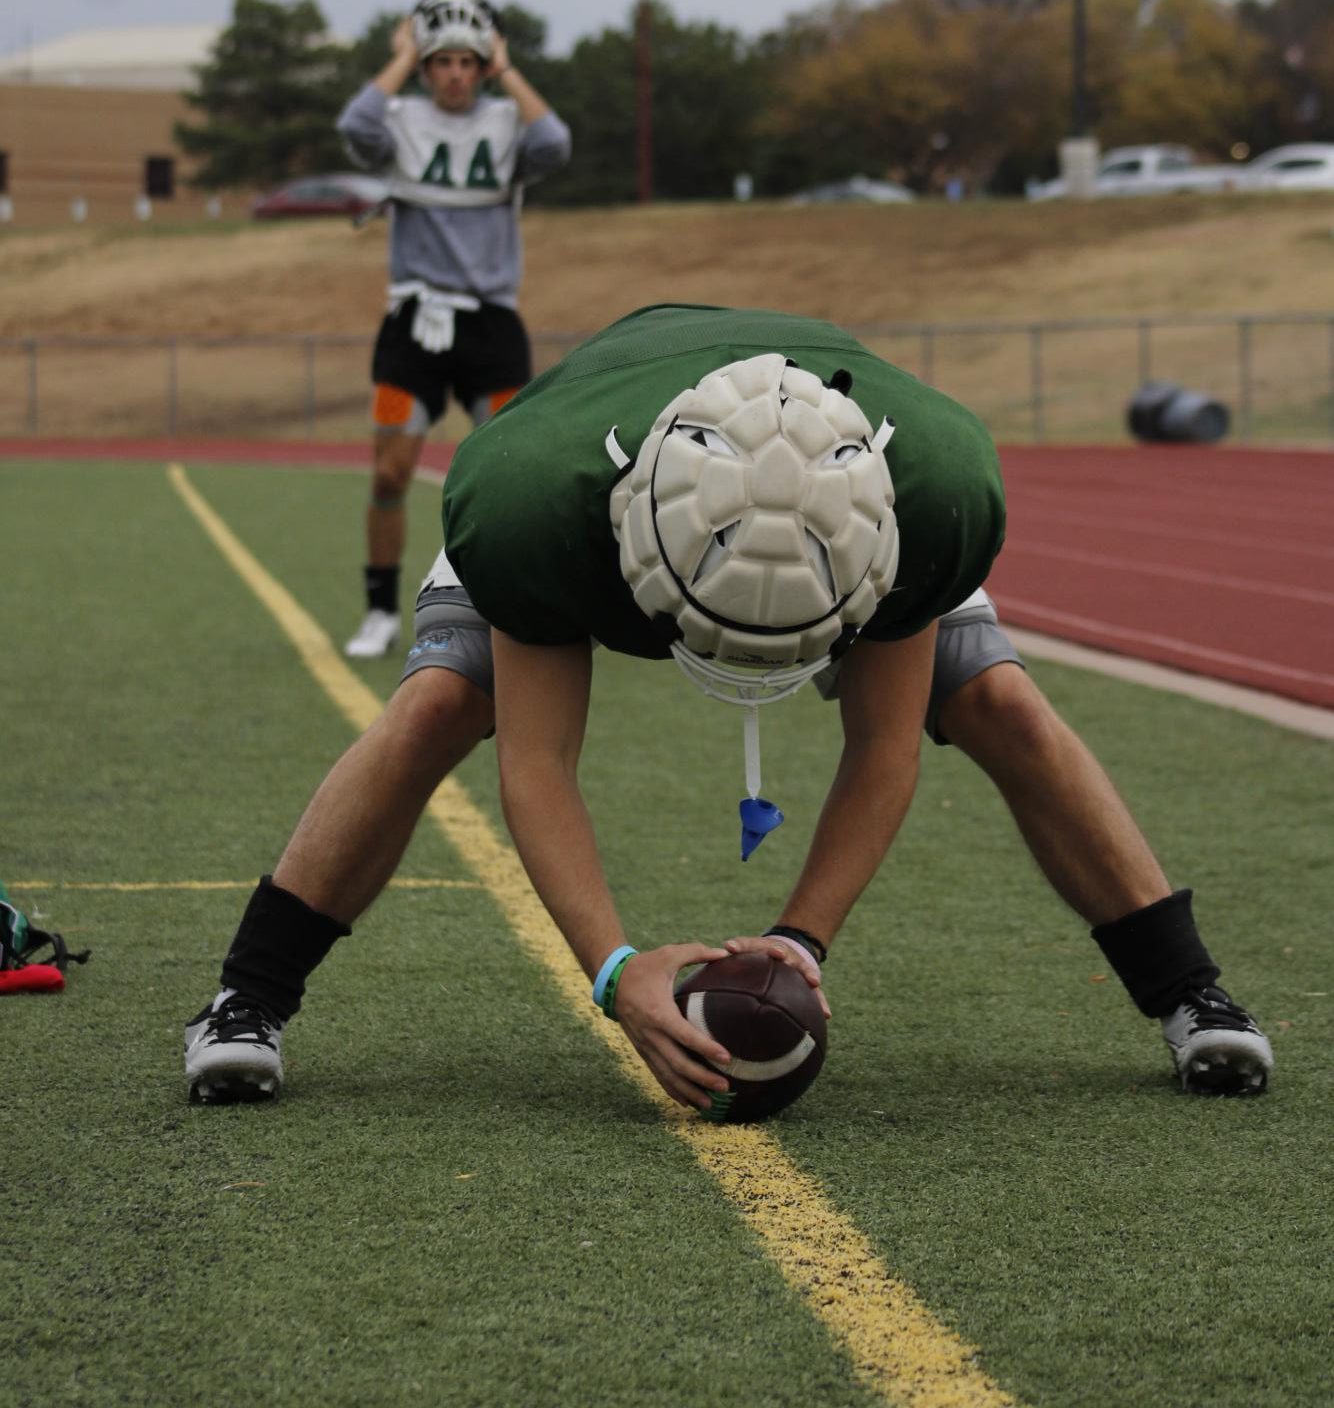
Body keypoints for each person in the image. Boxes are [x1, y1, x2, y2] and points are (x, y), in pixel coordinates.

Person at [184, 305, 1272, 1109]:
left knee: (1001, 701)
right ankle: (247, 999)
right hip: (590, 467)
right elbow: (537, 761)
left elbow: (885, 749)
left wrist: (801, 941)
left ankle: (1194, 993)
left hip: (834, 471)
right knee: (436, 706)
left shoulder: (925, 490)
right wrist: (613, 973)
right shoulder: (531, 501)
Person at [338, 0, 571, 660]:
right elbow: (356, 125)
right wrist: (403, 54)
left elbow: (555, 143)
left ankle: (513, 611)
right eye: (444, 61)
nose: (457, 74)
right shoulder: (402, 115)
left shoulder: (505, 121)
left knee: (511, 476)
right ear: (426, 66)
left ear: (483, 63)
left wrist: (508, 69)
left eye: (468, 61)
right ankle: (380, 608)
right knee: (389, 472)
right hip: (414, 320)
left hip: (491, 322)